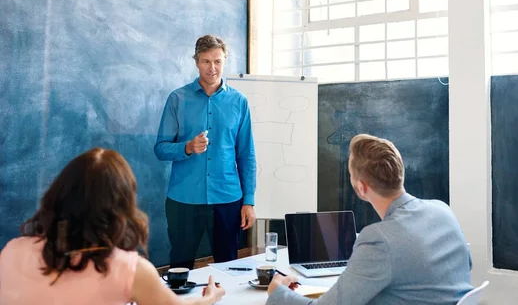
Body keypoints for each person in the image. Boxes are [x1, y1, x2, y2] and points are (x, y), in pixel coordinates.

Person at [0, 148, 225, 305]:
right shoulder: (129, 269)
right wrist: (210, 298)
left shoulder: (12, 250)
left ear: (59, 192)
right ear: (122, 206)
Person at [267, 134, 473, 305]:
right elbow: (466, 265)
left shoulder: (379, 238)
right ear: (400, 171)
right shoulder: (442, 210)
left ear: (362, 188)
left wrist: (278, 293)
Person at [154, 34, 256, 269]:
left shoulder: (239, 102)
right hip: (184, 200)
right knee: (181, 267)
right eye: (206, 61)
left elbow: (246, 154)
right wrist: (187, 148)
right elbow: (160, 149)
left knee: (229, 268)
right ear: (197, 62)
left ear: (224, 61)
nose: (212, 68)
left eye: (218, 61)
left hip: (228, 199)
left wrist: (248, 201)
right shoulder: (177, 99)